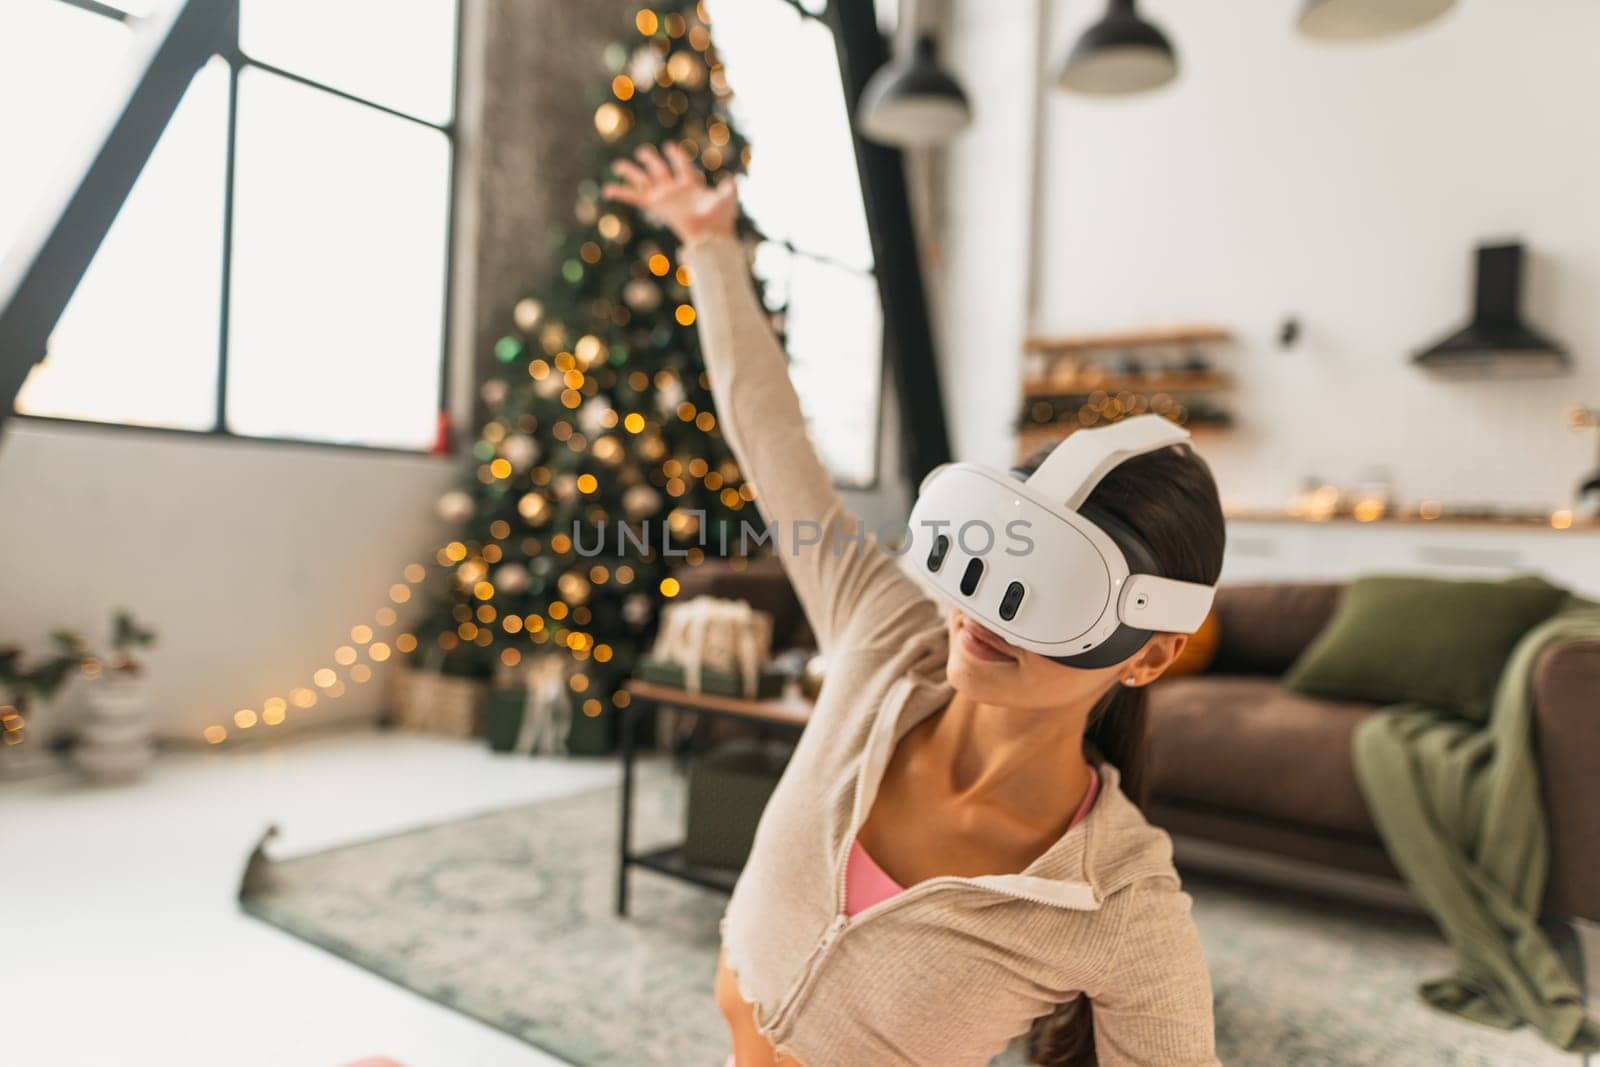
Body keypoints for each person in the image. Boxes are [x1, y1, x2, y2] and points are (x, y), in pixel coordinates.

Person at [604, 144, 1223, 1067]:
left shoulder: (1116, 901)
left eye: (1051, 590)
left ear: (1146, 653)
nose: (984, 610)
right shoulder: (884, 635)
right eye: (995, 549)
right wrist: (710, 243)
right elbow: (769, 435)